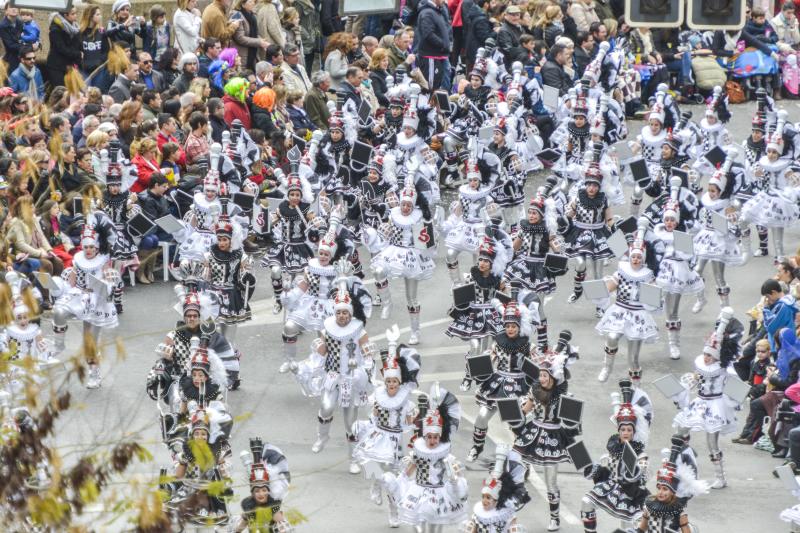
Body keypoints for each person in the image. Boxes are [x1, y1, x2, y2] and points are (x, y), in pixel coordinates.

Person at [673, 308, 744, 490]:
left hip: (715, 406)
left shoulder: (725, 371)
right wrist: (680, 392)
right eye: (705, 354)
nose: (706, 358)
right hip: (700, 402)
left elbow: (737, 391)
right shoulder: (701, 367)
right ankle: (678, 466)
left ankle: (720, 477)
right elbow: (692, 384)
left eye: (710, 356)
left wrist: (734, 404)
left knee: (712, 442)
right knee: (681, 431)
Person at [581, 379, 651, 533]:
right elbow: (607, 471)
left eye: (629, 430)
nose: (626, 433)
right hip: (610, 486)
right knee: (586, 502)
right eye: (623, 429)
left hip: (631, 494)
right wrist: (589, 464)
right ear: (618, 430)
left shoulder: (640, 453)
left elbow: (642, 478)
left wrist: (637, 470)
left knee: (628, 527)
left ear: (634, 432)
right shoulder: (613, 448)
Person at [416, 0, 452, 91]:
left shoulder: (437, 11)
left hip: (441, 55)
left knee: (443, 89)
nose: (445, 1)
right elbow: (428, 34)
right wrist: (443, 45)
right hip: (431, 57)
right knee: (431, 88)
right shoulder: (427, 13)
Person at [45, 7, 81, 89]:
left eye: (76, 13)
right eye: (73, 14)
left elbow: (77, 44)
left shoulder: (75, 28)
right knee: (61, 90)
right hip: (57, 66)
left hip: (69, 65)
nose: (76, 16)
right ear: (65, 15)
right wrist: (78, 54)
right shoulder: (55, 29)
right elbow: (62, 49)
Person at [0, 5, 25, 72]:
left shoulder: (20, 22)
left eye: (16, 7)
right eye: (11, 7)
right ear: (6, 11)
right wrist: (27, 46)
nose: (14, 9)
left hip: (23, 55)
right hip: (12, 58)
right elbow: (10, 45)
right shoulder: (3, 26)